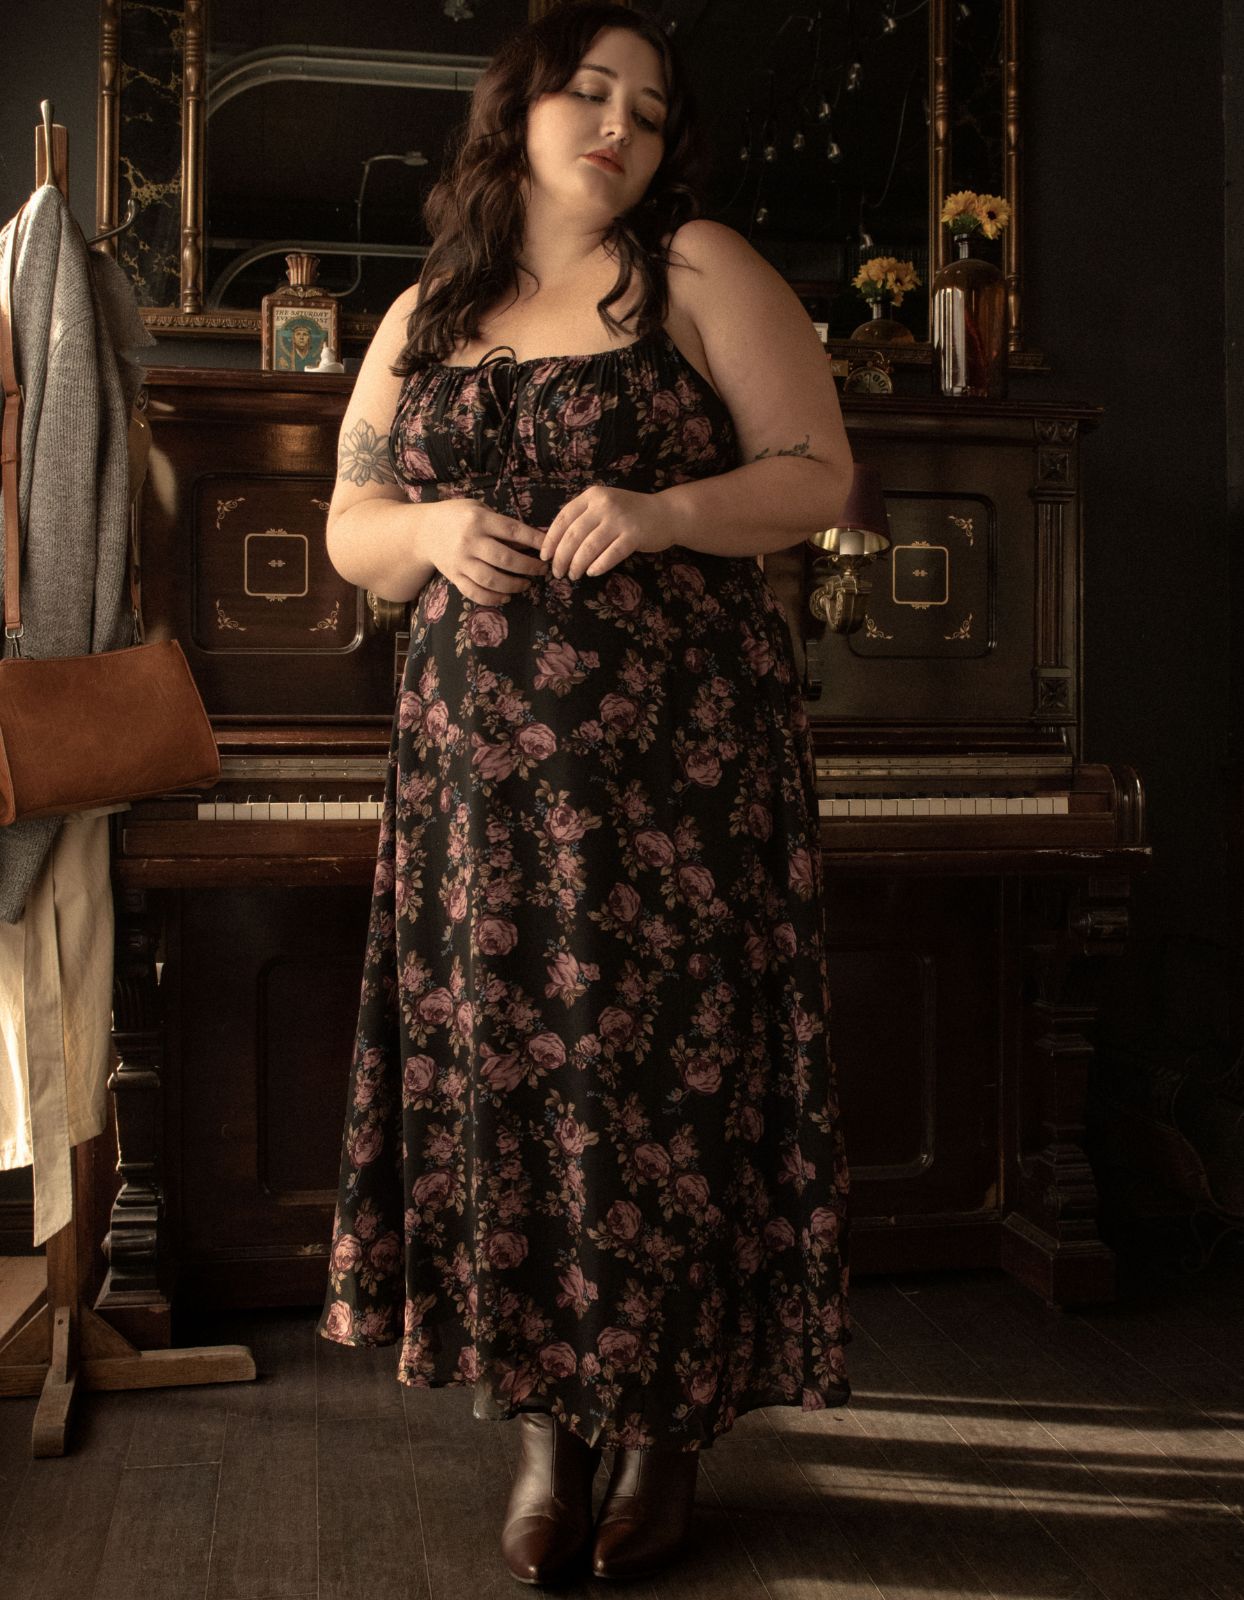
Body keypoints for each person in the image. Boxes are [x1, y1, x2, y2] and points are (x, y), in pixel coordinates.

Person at [316, 1, 854, 1584]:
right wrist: (420, 539)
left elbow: (821, 477)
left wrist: (668, 504)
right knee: (512, 1102)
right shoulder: (431, 303)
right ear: (518, 113)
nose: (621, 120)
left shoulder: (696, 270)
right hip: (479, 806)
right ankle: (549, 1447)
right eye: (588, 89)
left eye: (650, 102)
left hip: (673, 796)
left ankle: (667, 1446)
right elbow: (349, 515)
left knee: (667, 1104)